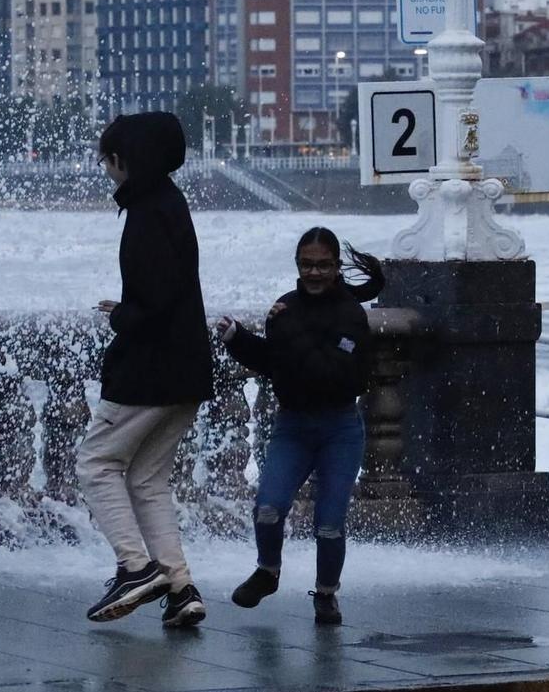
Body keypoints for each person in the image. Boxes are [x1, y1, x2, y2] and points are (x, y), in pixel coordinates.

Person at [75, 111, 213, 629]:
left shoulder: (146, 213)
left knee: (96, 463)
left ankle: (135, 568)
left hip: (150, 371)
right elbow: (170, 291)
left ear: (125, 159)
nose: (106, 170)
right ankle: (180, 588)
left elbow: (152, 304)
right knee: (148, 479)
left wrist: (122, 316)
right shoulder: (172, 203)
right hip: (187, 368)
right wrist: (133, 308)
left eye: (107, 160)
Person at [216, 227, 380, 627]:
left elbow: (335, 373)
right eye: (307, 264)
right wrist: (238, 339)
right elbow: (276, 363)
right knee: (268, 508)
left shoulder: (350, 315)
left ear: (336, 267)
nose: (314, 272)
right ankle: (267, 571)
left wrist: (289, 331)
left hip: (340, 429)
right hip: (292, 426)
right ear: (297, 265)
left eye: (323, 265)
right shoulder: (285, 309)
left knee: (329, 523)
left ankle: (326, 594)